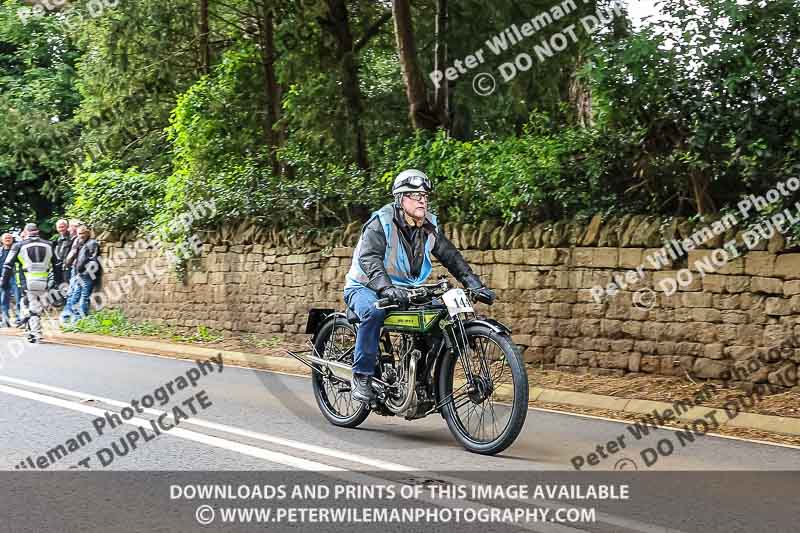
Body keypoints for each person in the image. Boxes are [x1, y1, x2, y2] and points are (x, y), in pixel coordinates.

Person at [343, 169, 495, 402]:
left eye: (425, 195)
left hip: (405, 290)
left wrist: (472, 282)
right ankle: (361, 376)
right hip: (366, 287)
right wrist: (386, 288)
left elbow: (450, 255)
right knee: (373, 312)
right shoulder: (381, 222)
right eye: (415, 195)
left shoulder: (428, 226)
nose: (422, 199)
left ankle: (424, 379)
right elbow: (369, 258)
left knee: (438, 315)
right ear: (400, 199)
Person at [0, 223, 54, 342]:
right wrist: (60, 282)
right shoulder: (49, 244)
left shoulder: (19, 245)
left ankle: (34, 332)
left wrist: (3, 282)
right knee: (32, 304)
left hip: (28, 280)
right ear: (37, 231)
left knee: (30, 306)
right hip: (44, 280)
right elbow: (58, 264)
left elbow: (8, 265)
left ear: (26, 232)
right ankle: (31, 327)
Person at [61, 225, 100, 324]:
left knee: (84, 295)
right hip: (80, 273)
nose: (80, 235)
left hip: (86, 274)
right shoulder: (80, 242)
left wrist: (87, 272)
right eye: (79, 234)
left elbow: (93, 260)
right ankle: (75, 317)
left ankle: (81, 318)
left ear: (87, 233)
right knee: (75, 294)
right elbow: (75, 256)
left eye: (82, 233)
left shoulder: (92, 243)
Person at [0, 233, 22, 327]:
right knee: (3, 299)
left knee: (18, 299)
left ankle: (19, 319)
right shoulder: (0, 251)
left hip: (15, 277)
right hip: (3, 277)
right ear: (2, 240)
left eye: (9, 237)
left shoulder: (17, 249)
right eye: (6, 238)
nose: (8, 239)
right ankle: (6, 320)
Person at [51, 219, 73, 305]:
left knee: (68, 284)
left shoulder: (71, 238)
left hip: (68, 265)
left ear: (67, 227)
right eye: (59, 227)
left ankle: (69, 304)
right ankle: (63, 303)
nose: (61, 228)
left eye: (63, 226)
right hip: (58, 266)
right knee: (60, 285)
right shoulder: (57, 239)